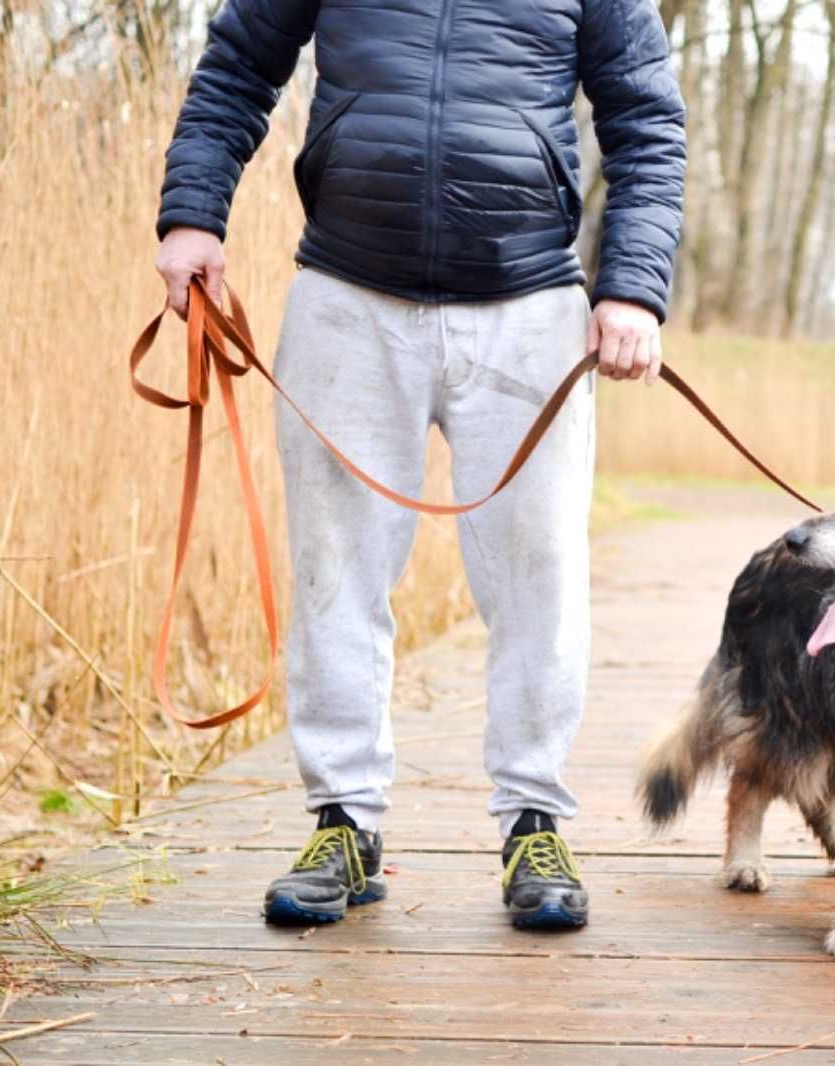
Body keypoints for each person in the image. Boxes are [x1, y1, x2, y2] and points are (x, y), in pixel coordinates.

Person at [153, 0, 685, 929]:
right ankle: (344, 821)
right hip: (346, 293)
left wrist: (632, 285)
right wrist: (193, 214)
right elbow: (238, 66)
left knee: (539, 581)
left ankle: (535, 824)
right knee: (335, 574)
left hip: (529, 302)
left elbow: (645, 118)